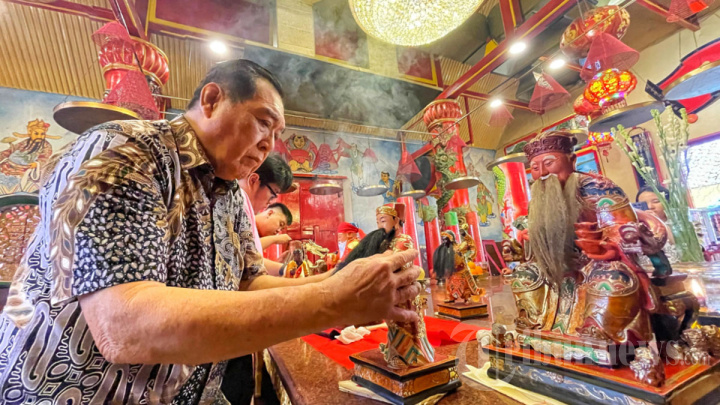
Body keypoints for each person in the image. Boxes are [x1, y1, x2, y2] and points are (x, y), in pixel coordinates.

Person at [0, 59, 422, 404]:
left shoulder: (230, 193)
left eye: (277, 134)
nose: (269, 145)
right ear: (212, 99)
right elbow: (123, 326)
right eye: (263, 122)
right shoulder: (128, 150)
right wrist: (335, 301)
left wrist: (342, 280)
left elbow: (248, 283)